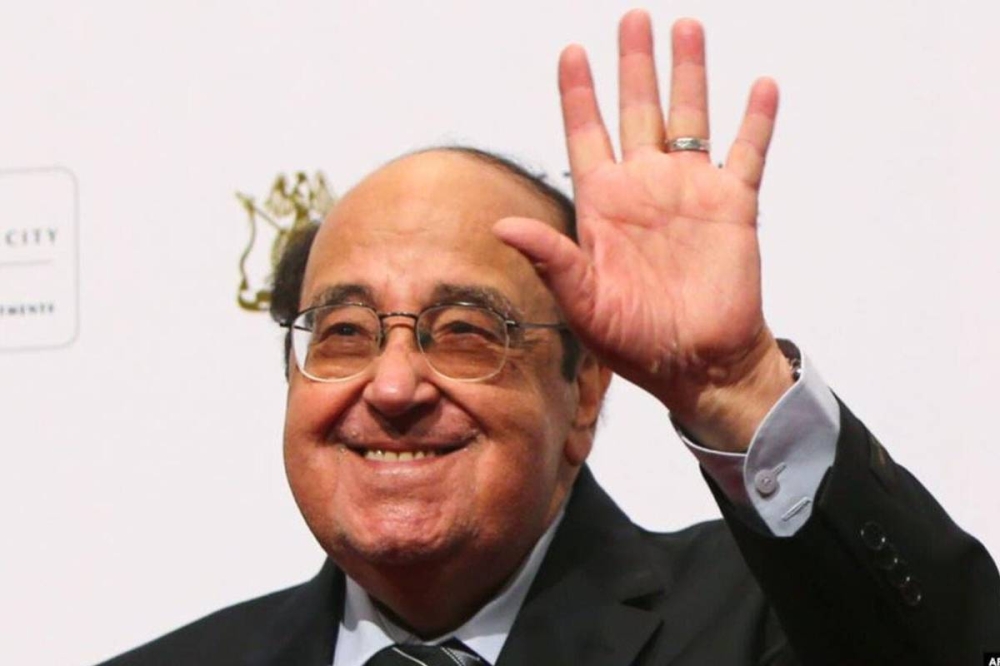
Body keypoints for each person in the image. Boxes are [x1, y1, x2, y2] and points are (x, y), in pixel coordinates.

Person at [98, 10, 1000, 665]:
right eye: (343, 332)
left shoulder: (764, 622)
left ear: (585, 394)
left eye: (463, 332)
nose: (394, 386)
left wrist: (735, 383)